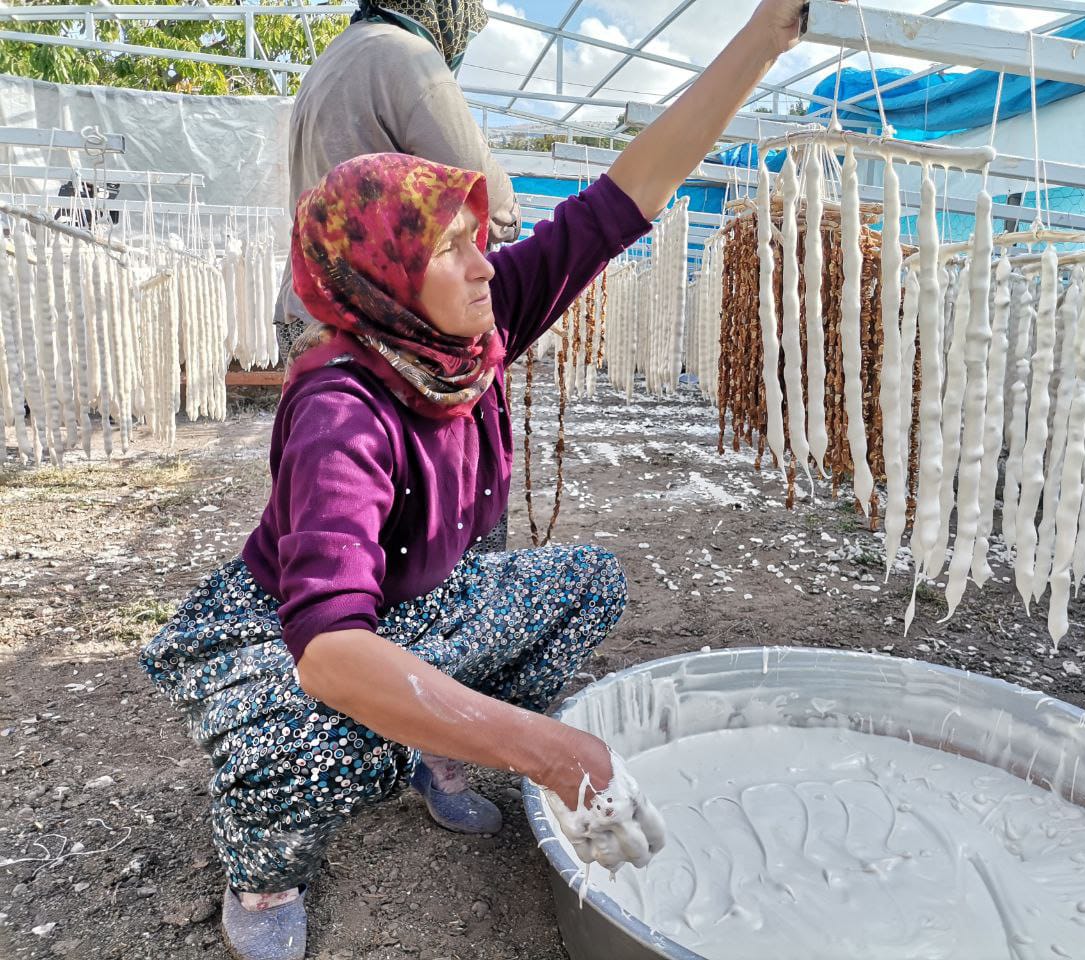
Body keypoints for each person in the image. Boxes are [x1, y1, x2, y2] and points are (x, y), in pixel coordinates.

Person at [140, 1, 837, 957]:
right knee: (307, 741)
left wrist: (766, 34)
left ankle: (432, 736)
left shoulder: (472, 326)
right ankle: (264, 870)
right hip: (289, 636)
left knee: (586, 585)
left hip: (413, 607)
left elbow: (627, 197)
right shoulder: (340, 408)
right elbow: (331, 652)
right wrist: (546, 749)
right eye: (453, 245)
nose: (484, 261)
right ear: (386, 279)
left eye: (479, 238)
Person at [274, 0, 521, 361]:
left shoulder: (330, 60)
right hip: (371, 324)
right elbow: (488, 199)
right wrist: (512, 216)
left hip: (308, 307)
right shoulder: (410, 58)